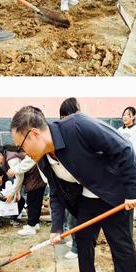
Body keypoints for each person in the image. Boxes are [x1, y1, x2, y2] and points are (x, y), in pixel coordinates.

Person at [10, 106, 136, 272]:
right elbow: (55, 193)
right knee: (83, 238)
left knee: (121, 245)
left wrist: (133, 191)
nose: (22, 152)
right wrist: (56, 229)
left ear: (34, 134)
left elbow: (124, 148)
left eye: (21, 146)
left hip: (115, 195)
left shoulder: (78, 126)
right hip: (88, 197)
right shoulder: (44, 158)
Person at [0, 143, 46, 236]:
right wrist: (16, 191)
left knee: (33, 202)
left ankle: (31, 227)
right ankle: (35, 224)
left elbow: (19, 177)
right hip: (34, 177)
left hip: (34, 178)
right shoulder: (9, 154)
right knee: (34, 202)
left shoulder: (11, 158)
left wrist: (12, 193)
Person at [59, 97, 81, 260]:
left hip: (79, 185)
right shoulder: (64, 134)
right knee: (69, 216)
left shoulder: (80, 132)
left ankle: (76, 247)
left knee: (75, 218)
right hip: (68, 185)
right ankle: (73, 240)